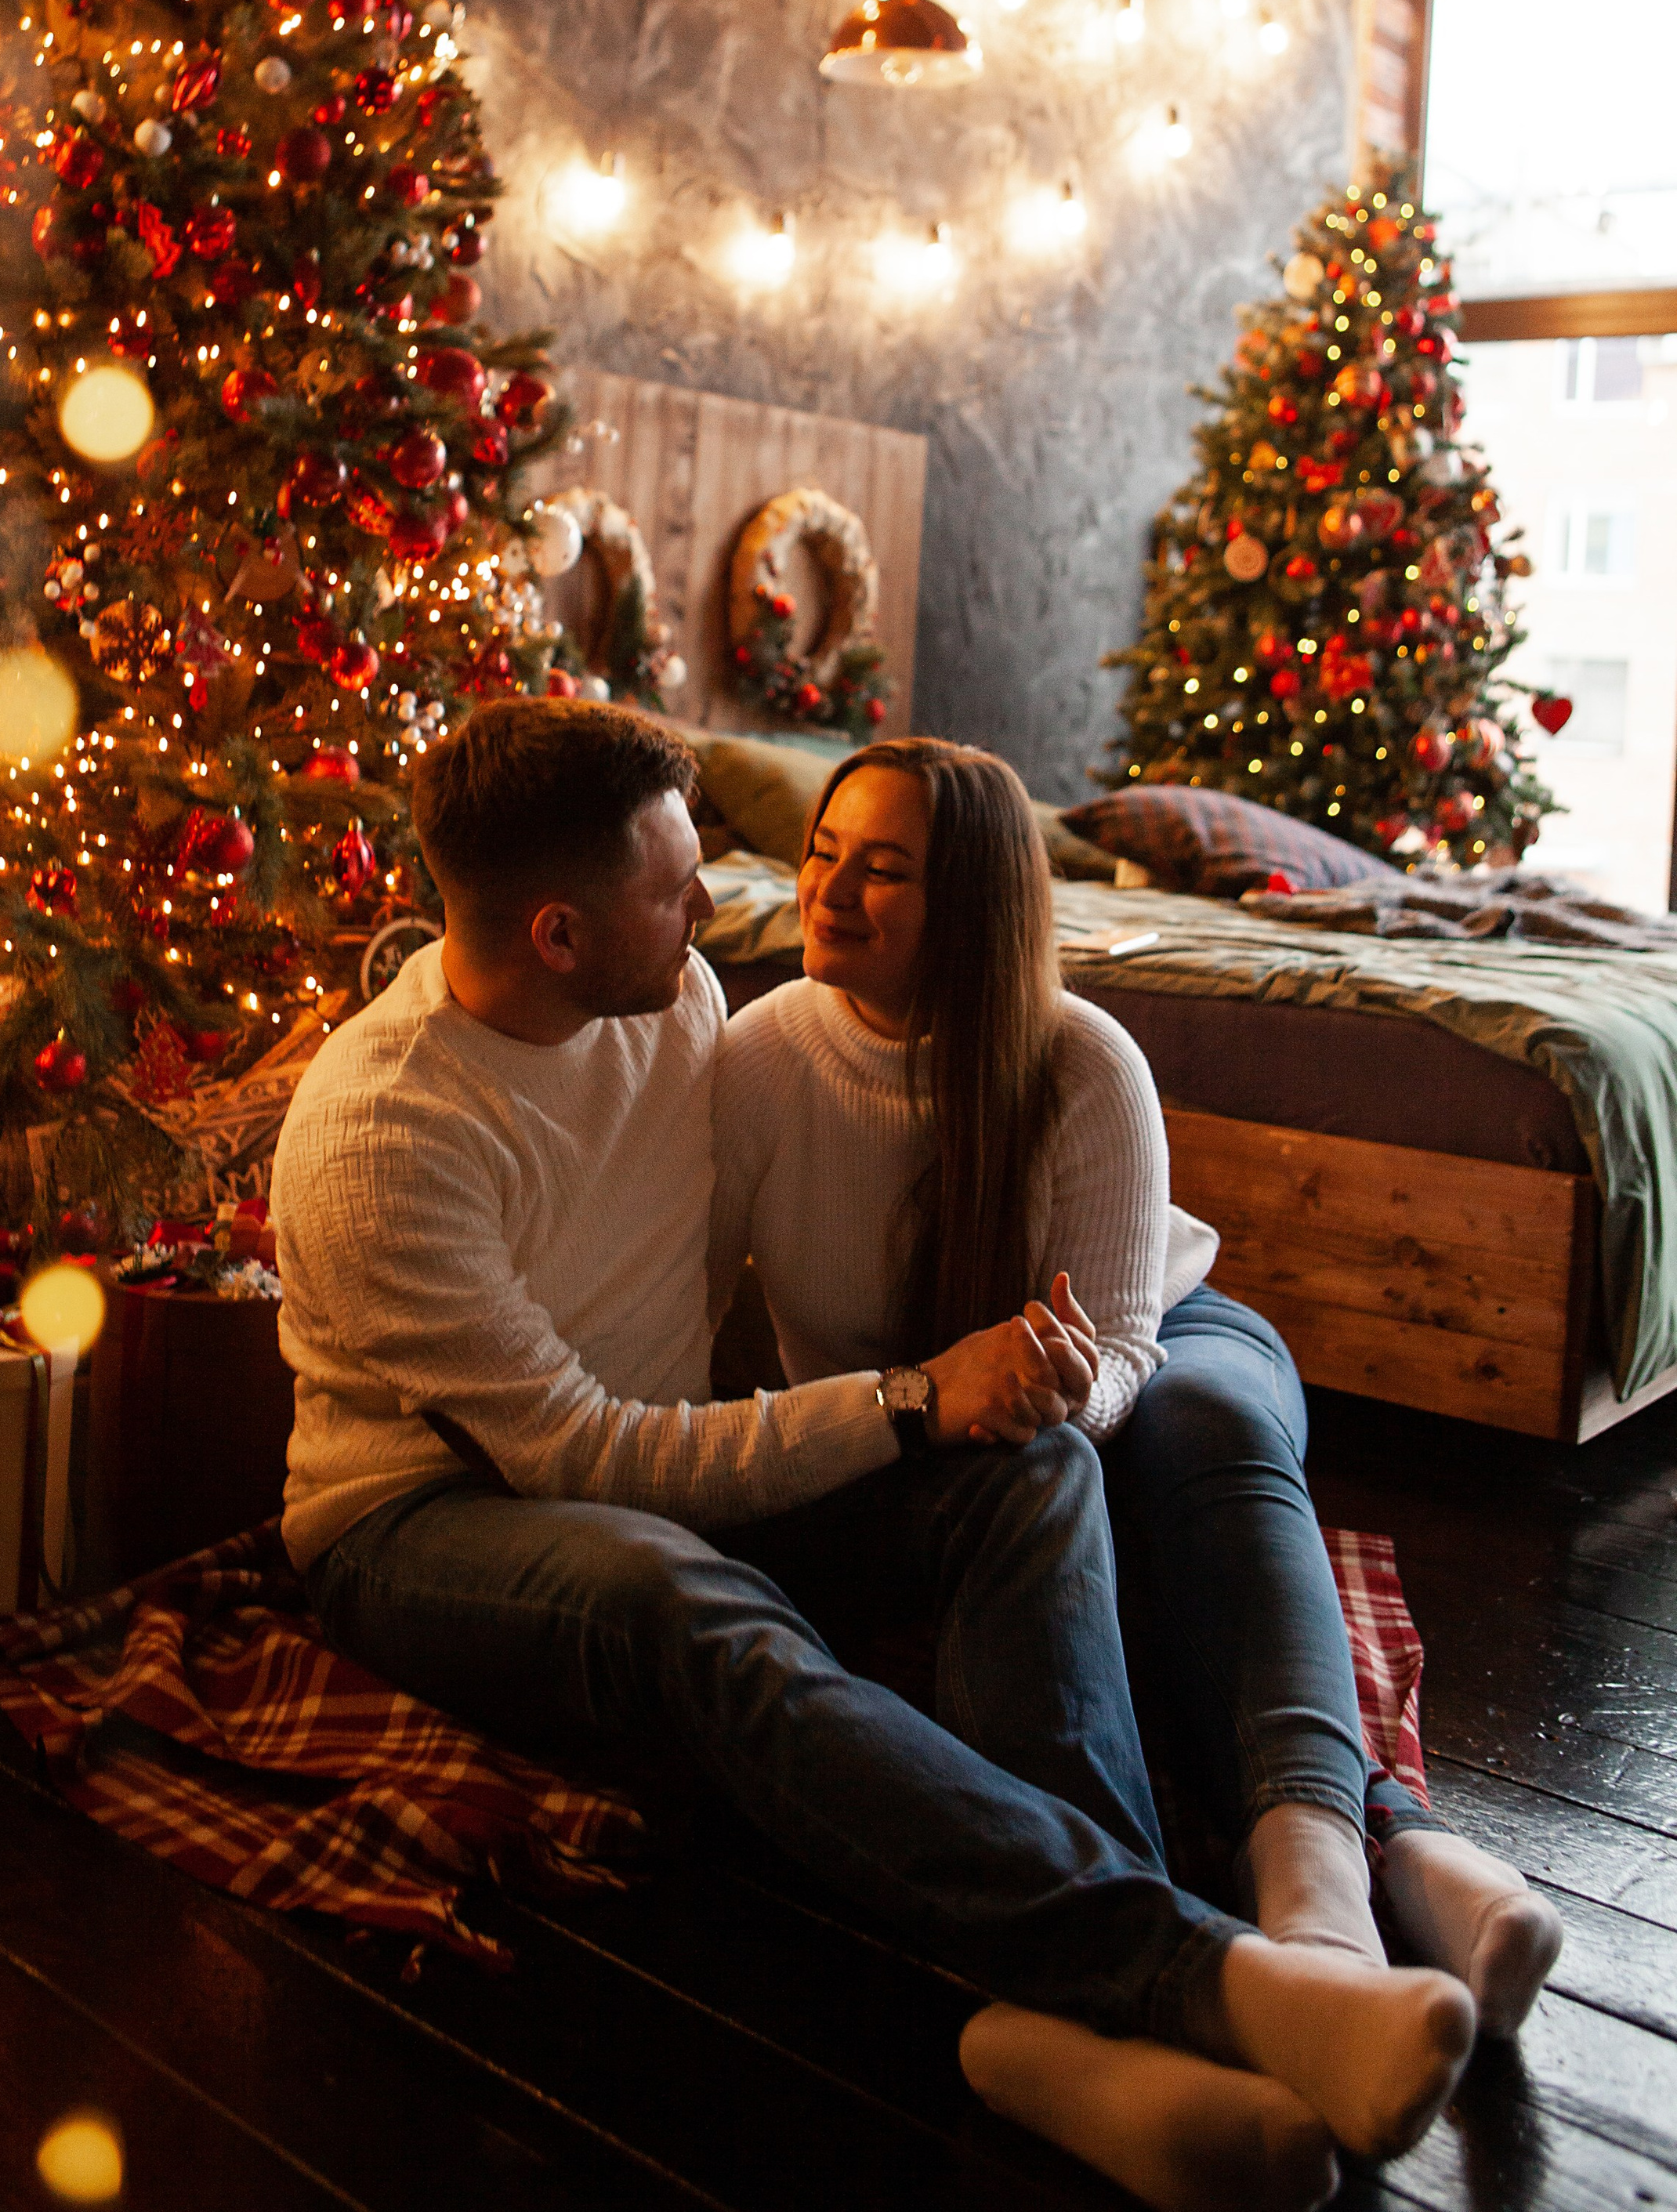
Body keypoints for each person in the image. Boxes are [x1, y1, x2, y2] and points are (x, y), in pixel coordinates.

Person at [271, 697, 1479, 2212]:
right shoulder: (385, 1137)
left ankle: (1071, 2028)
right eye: (675, 882)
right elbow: (580, 1459)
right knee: (684, 1606)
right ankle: (1187, 1969)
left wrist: (952, 1409)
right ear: (563, 935)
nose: (717, 904)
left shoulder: (679, 1004)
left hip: (658, 1467)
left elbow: (732, 1305)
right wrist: (906, 1400)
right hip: (430, 1521)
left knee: (1026, 1476)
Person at [711, 735, 1563, 2078]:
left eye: (883, 872)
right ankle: (1406, 1853)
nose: (827, 893)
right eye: (821, 856)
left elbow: (1120, 1348)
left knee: (1206, 1428)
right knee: (1090, 1537)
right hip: (941, 1415)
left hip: (1155, 1339)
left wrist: (1057, 1391)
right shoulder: (760, 1058)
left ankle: (1318, 1888)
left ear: (977, 905)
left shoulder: (1080, 1060)